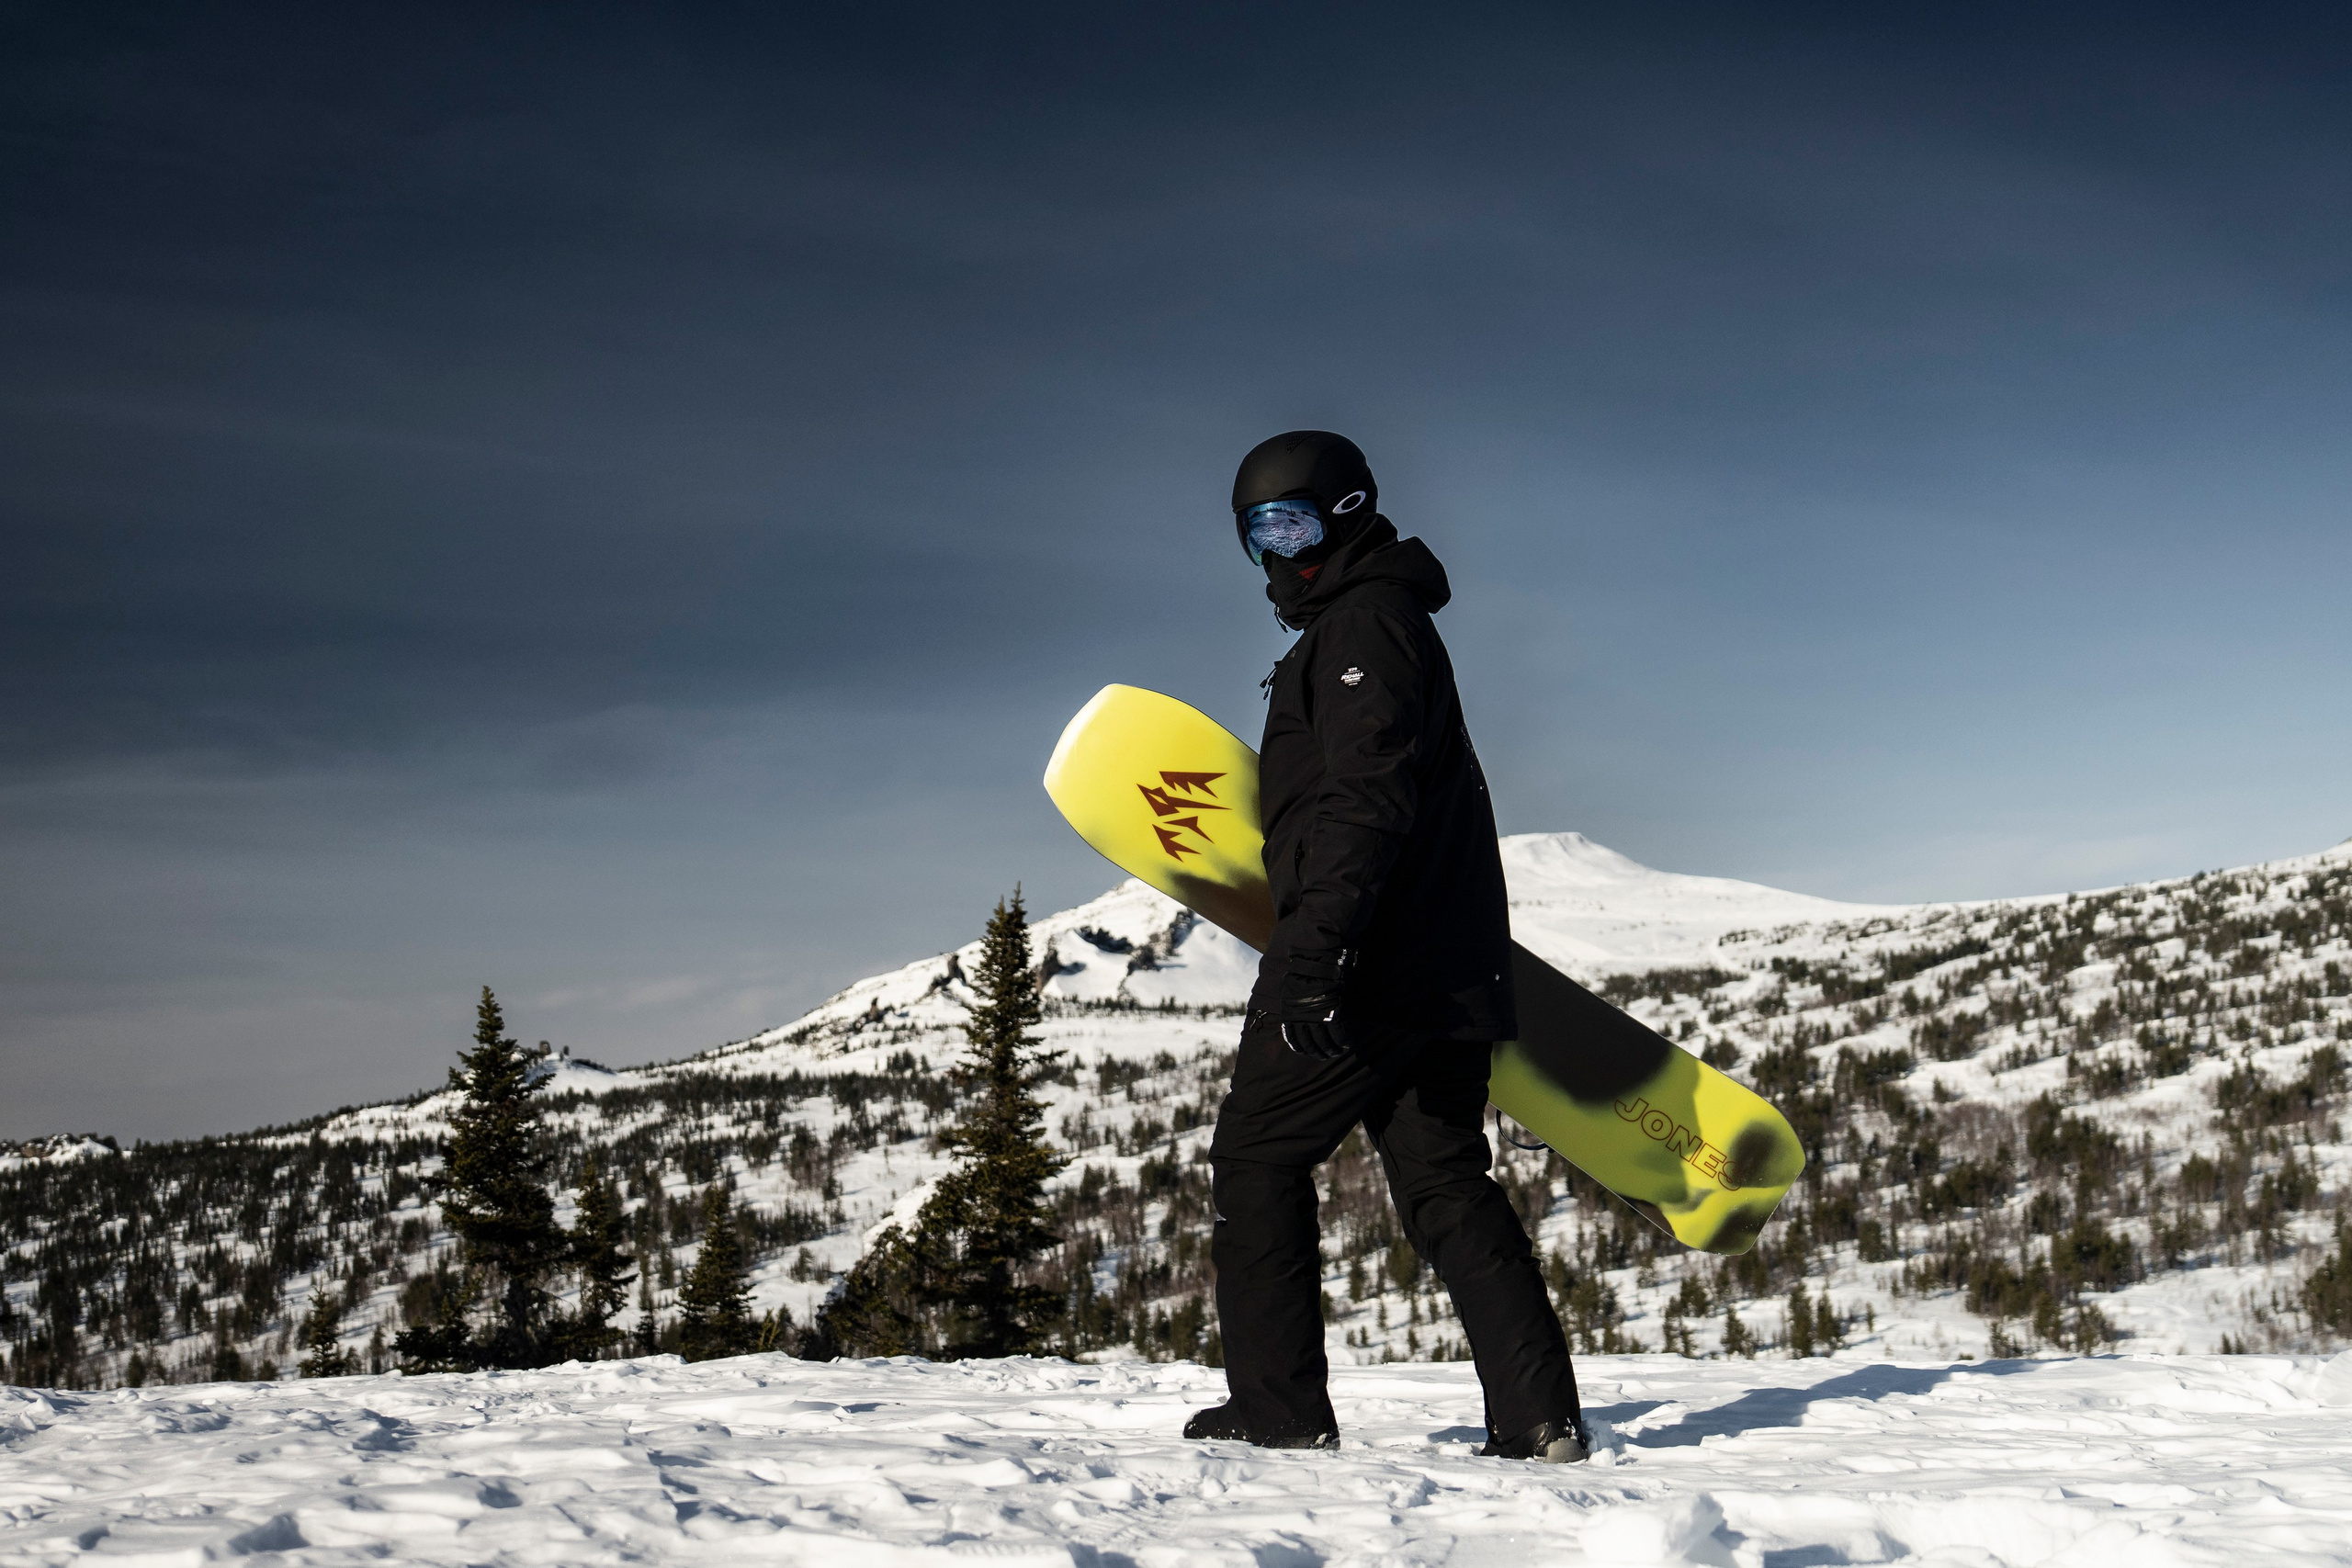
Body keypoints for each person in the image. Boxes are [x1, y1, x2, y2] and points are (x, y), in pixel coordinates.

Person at [1183, 430, 1589, 1462]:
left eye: (1293, 523)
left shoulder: (1366, 626)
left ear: (1349, 511)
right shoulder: (1377, 622)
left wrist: (1312, 957)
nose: (1277, 553)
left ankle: (1278, 1407)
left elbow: (1366, 801)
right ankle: (1535, 1416)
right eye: (1256, 534)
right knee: (1444, 1179)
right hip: (1443, 967)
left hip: (1370, 964)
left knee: (1256, 1158)